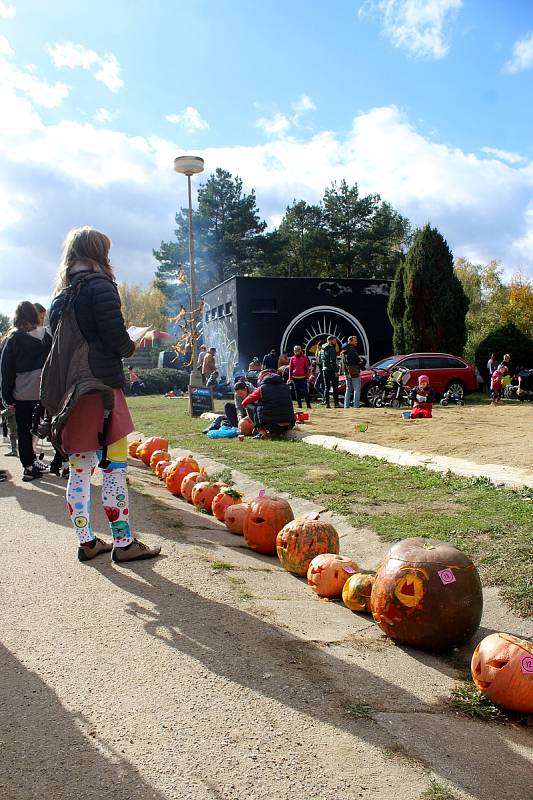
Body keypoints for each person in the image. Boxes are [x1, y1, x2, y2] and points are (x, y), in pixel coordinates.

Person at [48, 226, 160, 563]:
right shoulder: (101, 287)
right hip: (104, 390)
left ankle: (86, 541)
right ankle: (124, 542)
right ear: (100, 254)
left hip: (74, 394)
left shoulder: (60, 296)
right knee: (114, 469)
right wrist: (133, 341)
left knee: (80, 470)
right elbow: (116, 340)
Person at [0, 301, 52, 481]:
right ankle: (35, 460)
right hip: (44, 390)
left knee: (24, 431)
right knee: (39, 428)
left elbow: (6, 370)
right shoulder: (47, 336)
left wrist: (6, 397)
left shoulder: (13, 339)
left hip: (22, 392)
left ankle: (28, 466)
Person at [241, 370, 295, 438]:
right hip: (289, 424)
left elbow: (244, 402)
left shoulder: (262, 389)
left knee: (254, 406)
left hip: (272, 425)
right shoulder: (285, 387)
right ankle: (275, 433)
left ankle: (261, 432)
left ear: (262, 378)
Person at [319, 336, 340, 408]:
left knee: (326, 387)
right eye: (334, 340)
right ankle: (336, 404)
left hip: (324, 369)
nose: (335, 342)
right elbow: (333, 361)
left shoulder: (322, 349)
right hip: (331, 370)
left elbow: (320, 359)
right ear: (330, 341)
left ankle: (327, 404)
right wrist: (336, 371)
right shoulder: (332, 349)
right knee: (335, 387)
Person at [341, 335, 362, 409]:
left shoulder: (343, 350)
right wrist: (360, 361)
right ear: (350, 341)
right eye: (355, 341)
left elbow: (343, 362)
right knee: (357, 389)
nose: (356, 342)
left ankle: (346, 406)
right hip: (354, 370)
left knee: (348, 389)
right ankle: (356, 406)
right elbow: (357, 360)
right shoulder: (352, 349)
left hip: (346, 371)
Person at [288, 345, 311, 409]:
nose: (296, 352)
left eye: (297, 350)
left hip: (303, 377)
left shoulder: (304, 357)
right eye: (295, 350)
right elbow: (290, 368)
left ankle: (308, 405)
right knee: (297, 391)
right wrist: (290, 378)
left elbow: (307, 367)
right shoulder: (292, 358)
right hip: (295, 377)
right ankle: (299, 405)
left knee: (305, 391)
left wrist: (308, 376)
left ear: (300, 350)